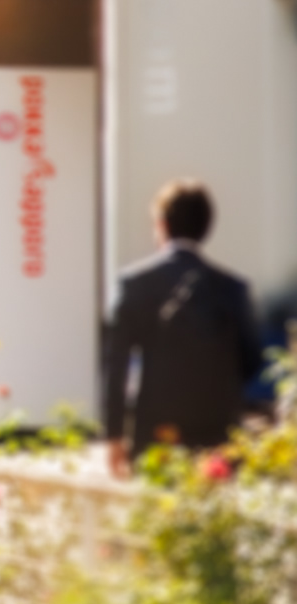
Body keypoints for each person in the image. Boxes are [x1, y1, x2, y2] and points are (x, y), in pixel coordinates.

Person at [99, 177, 263, 464]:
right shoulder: (233, 288)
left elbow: (116, 365)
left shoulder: (133, 283)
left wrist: (114, 435)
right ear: (206, 228)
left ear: (161, 225)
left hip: (154, 429)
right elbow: (250, 360)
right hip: (217, 430)